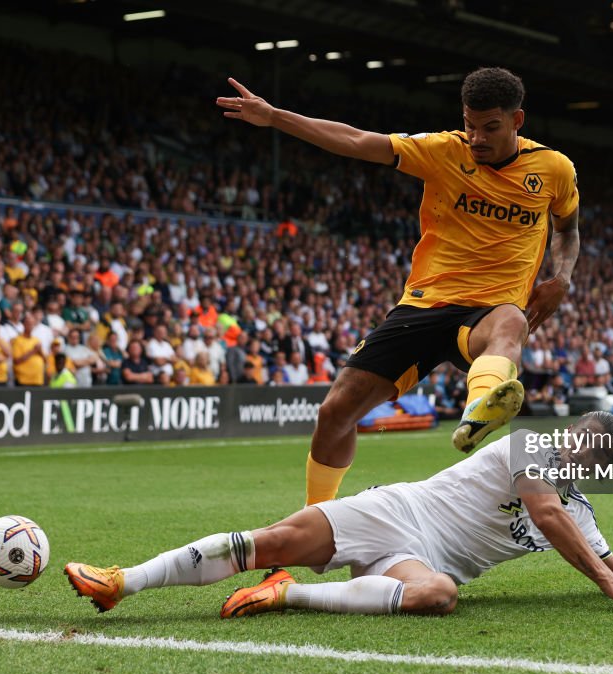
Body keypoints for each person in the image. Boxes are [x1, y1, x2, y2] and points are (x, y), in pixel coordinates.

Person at [217, 67, 580, 505]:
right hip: (422, 306)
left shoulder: (553, 169)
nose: (477, 137)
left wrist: (561, 278)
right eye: (469, 125)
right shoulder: (444, 151)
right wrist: (275, 117)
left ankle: (481, 409)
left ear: (516, 121)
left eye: (490, 127)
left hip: (488, 309)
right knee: (335, 412)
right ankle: (316, 518)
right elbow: (356, 140)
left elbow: (567, 230)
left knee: (510, 320)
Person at [65, 412, 613, 617]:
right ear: (574, 433)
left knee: (438, 595)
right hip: (397, 509)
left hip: (422, 558)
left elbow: (605, 554)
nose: (588, 454)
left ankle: (289, 594)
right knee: (272, 538)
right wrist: (606, 583)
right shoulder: (530, 449)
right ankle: (123, 581)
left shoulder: (580, 504)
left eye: (600, 454)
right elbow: (550, 518)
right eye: (587, 440)